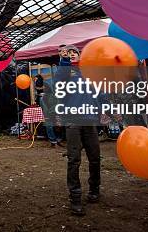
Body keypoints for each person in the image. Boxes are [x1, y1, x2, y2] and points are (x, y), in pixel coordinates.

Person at [55, 44, 100, 216]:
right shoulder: (64, 71)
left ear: (81, 56)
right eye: (69, 53)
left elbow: (98, 93)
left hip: (89, 120)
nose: (72, 54)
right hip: (73, 120)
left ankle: (94, 190)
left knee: (95, 157)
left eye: (75, 52)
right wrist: (64, 60)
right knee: (74, 160)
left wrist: (109, 110)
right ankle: (75, 198)